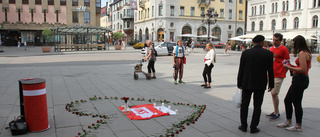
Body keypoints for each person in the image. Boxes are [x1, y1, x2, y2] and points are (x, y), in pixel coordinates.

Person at [237, 35, 274, 134]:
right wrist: (271, 84)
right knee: (257, 106)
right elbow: (270, 70)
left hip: (247, 82)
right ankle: (254, 127)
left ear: (253, 42)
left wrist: (239, 82)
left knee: (244, 104)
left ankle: (244, 125)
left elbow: (241, 69)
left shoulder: (246, 53)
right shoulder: (269, 54)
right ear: (263, 42)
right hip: (260, 83)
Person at [277, 35, 311, 132]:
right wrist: (293, 66)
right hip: (301, 79)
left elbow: (303, 69)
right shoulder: (307, 53)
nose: (293, 46)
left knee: (296, 102)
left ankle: (298, 125)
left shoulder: (302, 53)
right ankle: (288, 121)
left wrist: (289, 68)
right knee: (288, 100)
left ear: (298, 43)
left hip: (300, 79)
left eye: (294, 44)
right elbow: (307, 67)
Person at [266, 33, 290, 121]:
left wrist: (284, 72)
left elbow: (287, 61)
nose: (274, 42)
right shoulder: (271, 48)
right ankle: (275, 111)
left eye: (276, 40)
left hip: (279, 74)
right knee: (272, 94)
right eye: (273, 40)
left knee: (274, 93)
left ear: (280, 41)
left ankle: (277, 113)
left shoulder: (284, 49)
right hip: (271, 74)